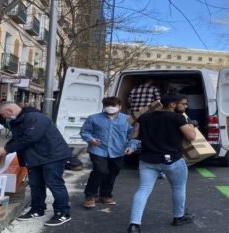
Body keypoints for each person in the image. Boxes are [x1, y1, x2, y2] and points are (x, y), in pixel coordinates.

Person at [0, 102, 72, 227]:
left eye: (4, 115)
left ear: (9, 110)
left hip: (52, 156)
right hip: (35, 158)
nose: (5, 118)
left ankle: (62, 212)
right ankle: (37, 209)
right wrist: (5, 147)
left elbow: (30, 138)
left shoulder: (34, 117)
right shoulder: (19, 120)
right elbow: (18, 138)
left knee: (54, 184)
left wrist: (7, 149)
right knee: (36, 185)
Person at [127, 93, 196, 233]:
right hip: (173, 161)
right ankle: (178, 217)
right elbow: (192, 136)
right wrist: (192, 125)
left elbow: (134, 135)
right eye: (183, 103)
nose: (186, 106)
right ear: (172, 104)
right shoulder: (178, 118)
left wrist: (131, 146)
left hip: (147, 161)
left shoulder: (144, 117)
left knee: (143, 190)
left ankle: (134, 225)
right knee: (178, 188)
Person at [80, 96, 138, 208]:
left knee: (112, 173)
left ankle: (105, 195)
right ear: (103, 106)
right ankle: (90, 196)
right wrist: (90, 139)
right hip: (98, 149)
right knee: (100, 170)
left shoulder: (127, 119)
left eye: (113, 106)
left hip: (118, 150)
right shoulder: (93, 118)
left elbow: (133, 135)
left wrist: (131, 146)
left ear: (120, 107)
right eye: (107, 106)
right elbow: (84, 132)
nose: (110, 108)